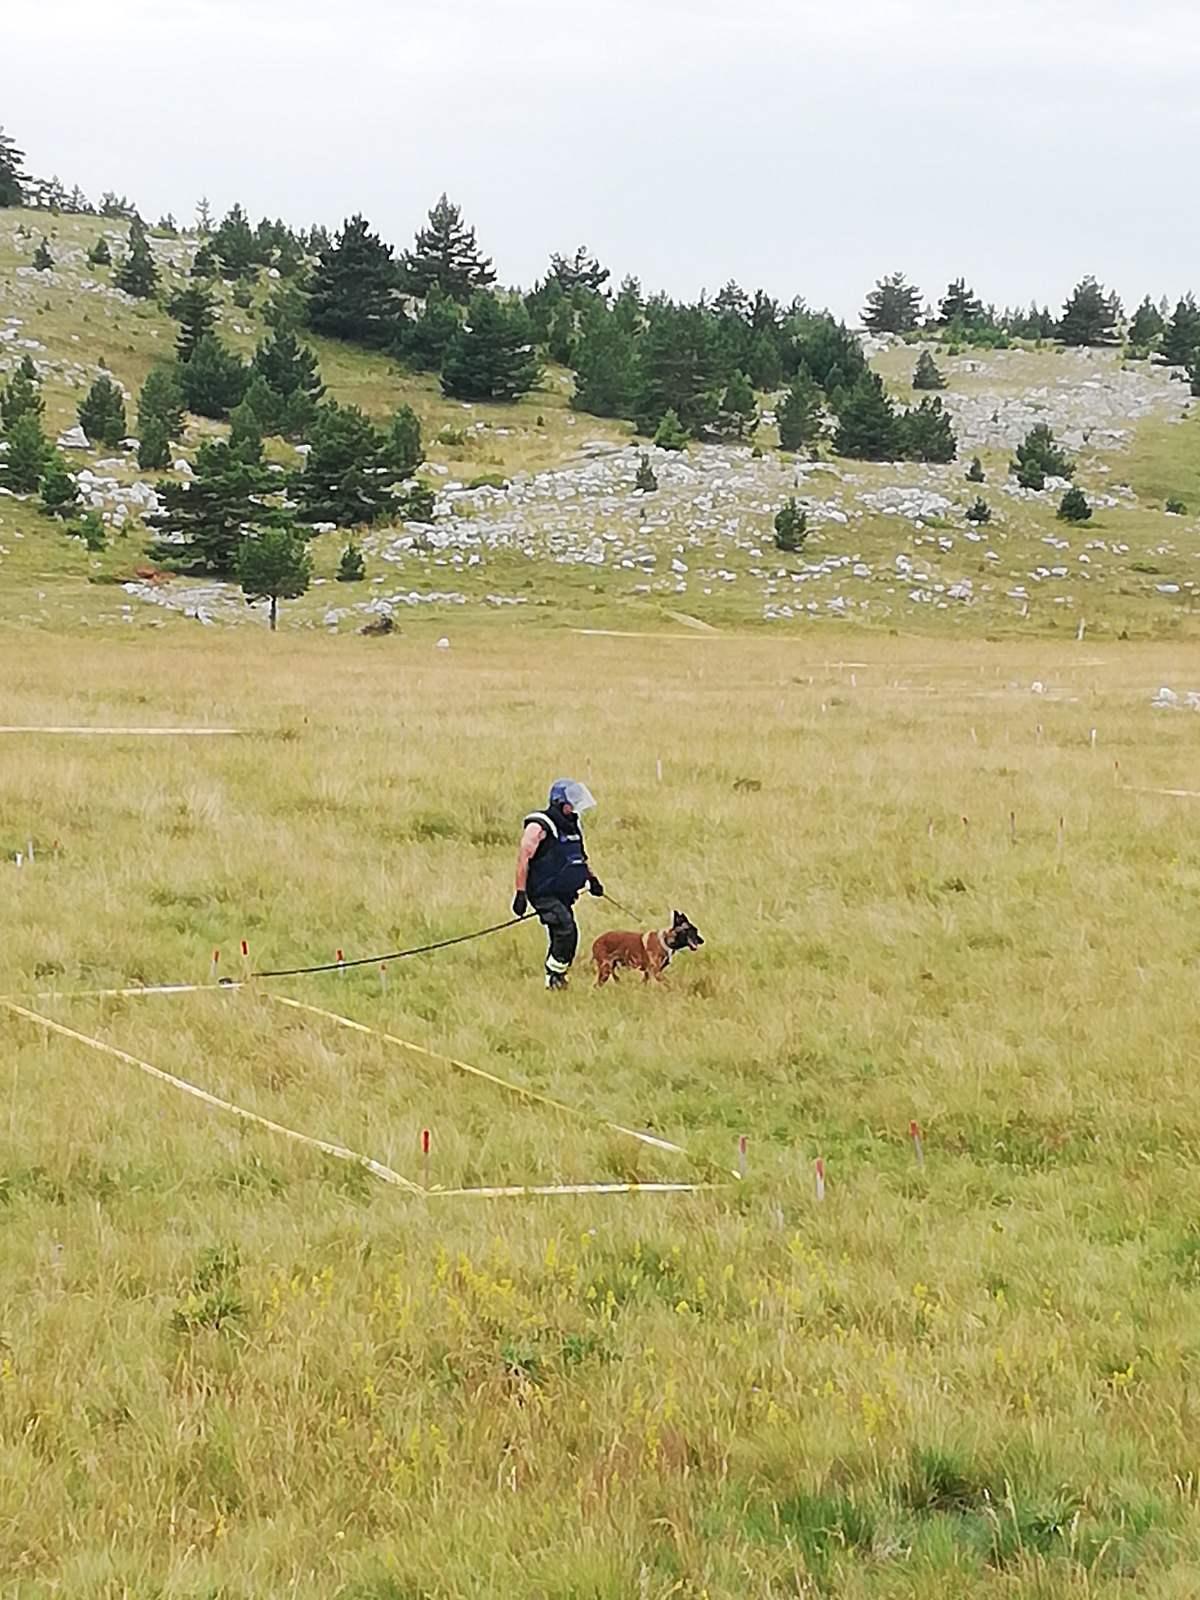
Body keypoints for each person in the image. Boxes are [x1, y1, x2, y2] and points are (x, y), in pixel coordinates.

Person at [512, 778, 604, 989]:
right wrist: (520, 894)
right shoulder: (539, 826)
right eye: (571, 803)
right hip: (542, 892)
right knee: (565, 928)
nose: (574, 809)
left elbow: (579, 857)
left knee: (568, 934)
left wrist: (592, 879)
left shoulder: (572, 826)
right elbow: (523, 858)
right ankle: (553, 976)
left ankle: (558, 975)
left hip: (563, 893)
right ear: (559, 803)